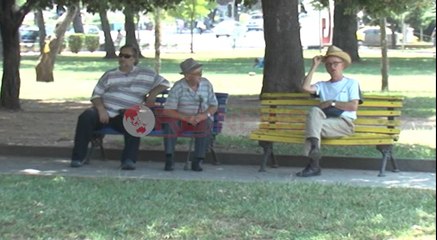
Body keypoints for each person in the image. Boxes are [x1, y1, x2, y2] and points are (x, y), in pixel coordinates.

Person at [70, 44, 170, 170]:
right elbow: (96, 95)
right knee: (86, 116)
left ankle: (128, 160)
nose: (122, 59)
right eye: (120, 55)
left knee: (135, 119)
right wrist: (101, 110)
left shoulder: (146, 74)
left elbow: (165, 83)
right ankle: (78, 158)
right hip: (104, 113)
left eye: (127, 56)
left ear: (134, 59)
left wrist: (152, 95)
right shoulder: (110, 75)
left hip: (125, 115)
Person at [297, 45, 362, 177]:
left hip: (344, 123)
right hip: (325, 122)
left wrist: (332, 103)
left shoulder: (351, 83)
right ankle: (315, 149)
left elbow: (353, 106)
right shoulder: (323, 85)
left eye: (336, 63)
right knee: (315, 111)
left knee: (312, 128)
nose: (332, 67)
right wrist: (314, 66)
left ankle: (313, 164)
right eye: (328, 64)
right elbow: (305, 87)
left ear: (342, 65)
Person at [162, 58, 218, 171]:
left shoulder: (206, 84)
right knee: (169, 125)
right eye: (197, 74)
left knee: (206, 124)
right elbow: (168, 110)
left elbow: (214, 105)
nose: (200, 76)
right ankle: (169, 158)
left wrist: (203, 115)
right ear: (187, 76)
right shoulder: (178, 87)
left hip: (200, 118)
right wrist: (186, 118)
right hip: (181, 118)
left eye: (201, 73)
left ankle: (198, 160)